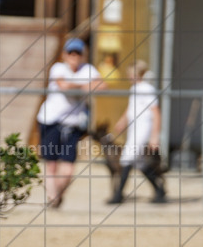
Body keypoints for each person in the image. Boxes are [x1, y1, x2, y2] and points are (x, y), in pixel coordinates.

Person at [37, 38, 103, 209]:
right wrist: (86, 85)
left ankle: (56, 197)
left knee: (68, 170)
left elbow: (102, 85)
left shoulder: (88, 69)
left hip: (73, 124)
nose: (74, 56)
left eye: (78, 53)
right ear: (64, 55)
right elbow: (63, 85)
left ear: (83, 55)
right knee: (51, 165)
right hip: (51, 121)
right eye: (71, 53)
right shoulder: (58, 68)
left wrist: (79, 85)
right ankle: (53, 199)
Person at [107, 60, 166, 204]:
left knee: (126, 158)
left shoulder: (147, 89)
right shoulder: (135, 88)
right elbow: (131, 108)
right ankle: (159, 190)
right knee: (140, 163)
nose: (129, 76)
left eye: (132, 74)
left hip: (143, 129)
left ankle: (118, 195)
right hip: (135, 128)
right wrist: (122, 121)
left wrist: (154, 136)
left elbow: (156, 112)